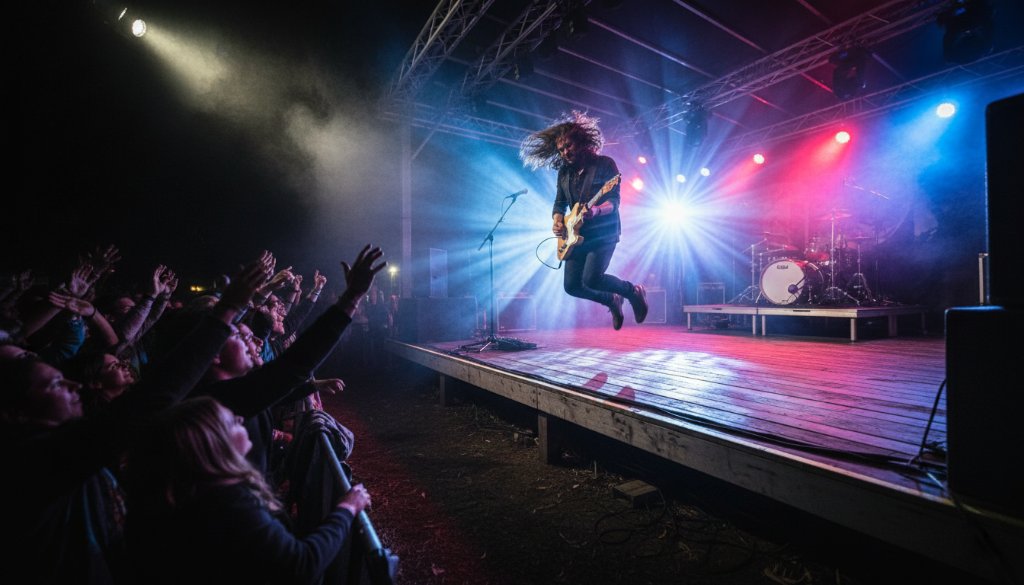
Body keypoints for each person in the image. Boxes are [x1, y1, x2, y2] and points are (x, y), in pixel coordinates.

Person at [124, 396, 372, 585]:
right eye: (231, 421)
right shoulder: (229, 503)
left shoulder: (197, 496)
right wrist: (347, 507)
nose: (242, 419)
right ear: (213, 443)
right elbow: (302, 564)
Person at [520, 110, 648, 330]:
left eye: (568, 146)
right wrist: (557, 222)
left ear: (580, 142)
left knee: (592, 279)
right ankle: (612, 300)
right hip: (577, 236)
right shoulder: (564, 173)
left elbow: (614, 202)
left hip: (603, 233)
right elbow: (559, 203)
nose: (565, 152)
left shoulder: (605, 164)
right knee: (571, 286)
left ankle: (633, 292)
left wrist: (596, 211)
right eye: (561, 150)